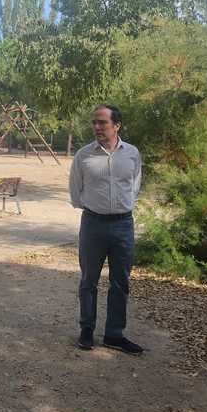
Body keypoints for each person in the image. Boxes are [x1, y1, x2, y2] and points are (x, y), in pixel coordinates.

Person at [68, 104, 143, 355]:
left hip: (124, 225)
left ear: (117, 125)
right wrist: (95, 209)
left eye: (102, 123)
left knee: (120, 281)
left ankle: (114, 334)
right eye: (95, 123)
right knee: (88, 280)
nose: (97, 127)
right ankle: (86, 330)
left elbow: (134, 186)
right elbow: (76, 191)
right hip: (93, 224)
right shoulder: (83, 156)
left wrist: (122, 207)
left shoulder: (132, 154)